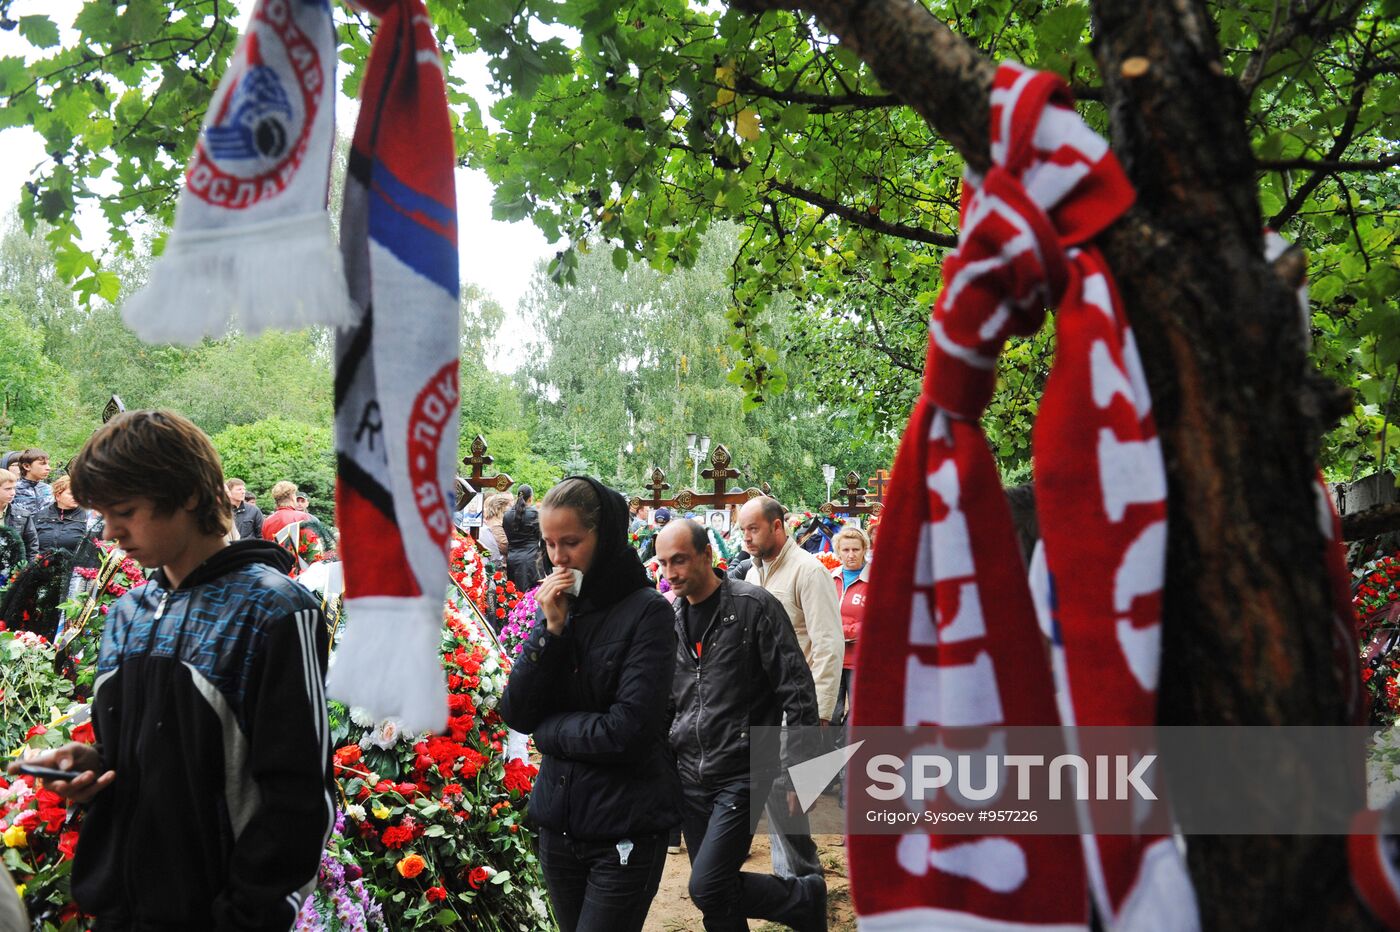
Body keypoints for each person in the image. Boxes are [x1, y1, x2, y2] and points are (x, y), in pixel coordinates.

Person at [8, 409, 333, 929]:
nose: (109, 531)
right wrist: (92, 766)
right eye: (103, 512)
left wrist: (245, 916)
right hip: (120, 908)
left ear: (187, 495)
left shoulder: (274, 610)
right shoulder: (127, 611)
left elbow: (299, 799)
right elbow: (155, 754)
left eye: (126, 510)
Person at [500, 476, 681, 932]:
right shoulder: (557, 608)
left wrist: (550, 732)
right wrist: (551, 631)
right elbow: (518, 712)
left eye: (572, 543)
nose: (558, 558)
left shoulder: (648, 612)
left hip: (626, 827)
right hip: (558, 826)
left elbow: (627, 731)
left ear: (606, 537)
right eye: (550, 543)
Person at [656, 520, 826, 932]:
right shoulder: (670, 618)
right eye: (662, 563)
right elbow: (668, 701)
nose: (670, 573)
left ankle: (802, 897)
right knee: (717, 895)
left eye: (679, 560)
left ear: (706, 556)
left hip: (745, 771)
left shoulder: (754, 607)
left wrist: (800, 773)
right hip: (689, 775)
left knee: (708, 884)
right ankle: (804, 901)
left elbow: (797, 690)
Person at [735, 496, 843, 880]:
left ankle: (802, 881)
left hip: (797, 707)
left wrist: (822, 714)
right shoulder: (751, 575)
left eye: (754, 529)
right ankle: (790, 882)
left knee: (788, 795)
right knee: (765, 791)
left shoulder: (808, 572)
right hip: (759, 705)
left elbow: (828, 646)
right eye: (742, 529)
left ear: (778, 526)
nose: (746, 537)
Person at [830, 526, 871, 727]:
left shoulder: (874, 580)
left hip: (859, 659)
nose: (851, 555)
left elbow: (876, 620)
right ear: (838, 551)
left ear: (865, 549)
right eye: (845, 550)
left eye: (856, 549)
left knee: (857, 715)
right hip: (833, 657)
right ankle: (829, 753)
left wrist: (845, 631)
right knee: (830, 712)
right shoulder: (829, 578)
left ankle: (847, 752)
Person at [30, 475, 96, 554]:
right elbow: (29, 545)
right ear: (58, 496)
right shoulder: (40, 516)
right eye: (71, 493)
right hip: (41, 564)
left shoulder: (87, 517)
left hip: (73, 564)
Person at [503, 484, 542, 592]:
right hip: (532, 560)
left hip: (512, 560)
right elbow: (542, 537)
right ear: (531, 497)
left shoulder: (507, 515)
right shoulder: (534, 514)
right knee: (531, 599)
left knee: (514, 597)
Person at [0, 471, 39, 561]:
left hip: (13, 571)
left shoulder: (22, 515)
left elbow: (32, 548)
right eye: (7, 489)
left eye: (14, 488)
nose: (13, 493)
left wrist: (26, 572)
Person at [11, 448, 53, 517]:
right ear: (26, 466)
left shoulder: (49, 489)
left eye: (48, 464)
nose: (48, 468)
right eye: (42, 464)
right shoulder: (13, 489)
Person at [226, 477, 264, 542]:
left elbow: (261, 536)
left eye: (244, 489)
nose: (243, 492)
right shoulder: (222, 511)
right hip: (230, 550)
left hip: (249, 550)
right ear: (229, 492)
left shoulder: (254, 510)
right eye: (239, 489)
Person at [481, 491, 513, 564]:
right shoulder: (495, 524)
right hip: (500, 563)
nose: (510, 509)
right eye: (508, 506)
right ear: (500, 507)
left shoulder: (495, 520)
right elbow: (504, 546)